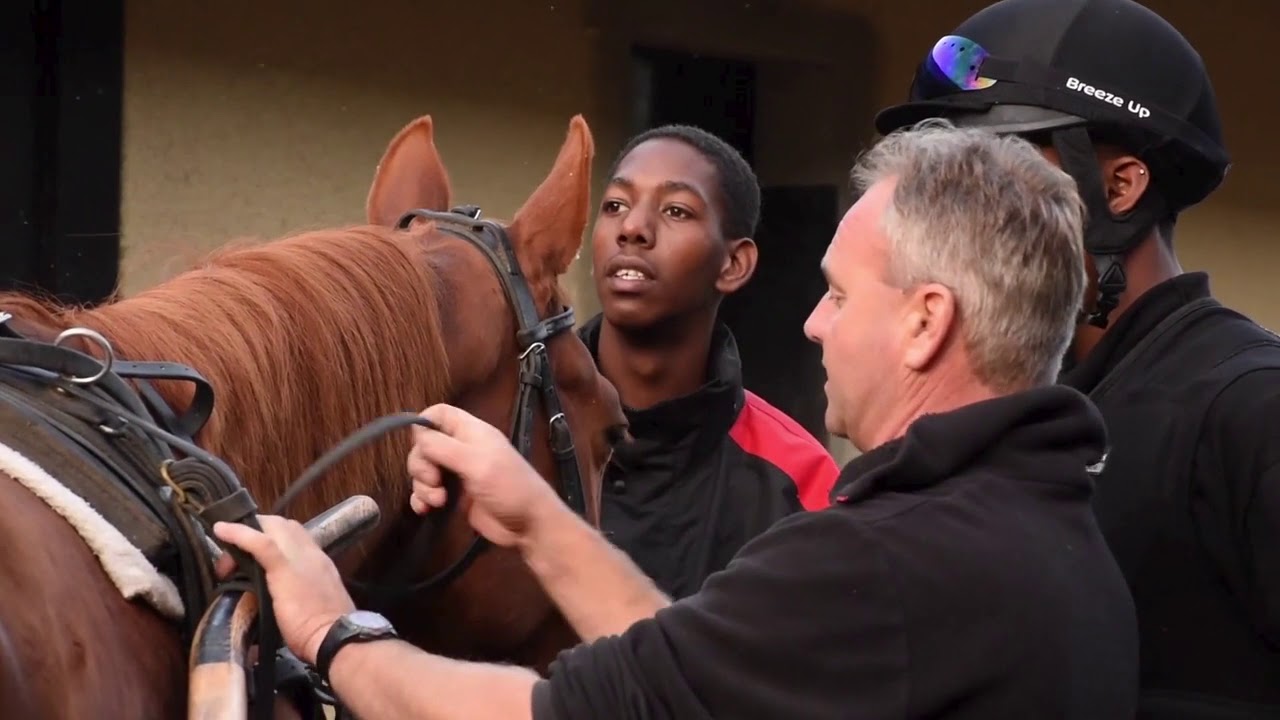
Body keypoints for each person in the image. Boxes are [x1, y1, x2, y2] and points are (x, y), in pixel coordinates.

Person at [213, 120, 1140, 719]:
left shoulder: (880, 561)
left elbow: (568, 715)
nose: (813, 322)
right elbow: (689, 681)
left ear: (926, 320)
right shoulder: (1053, 537)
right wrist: (537, 516)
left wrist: (335, 632)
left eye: (838, 296)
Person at [873, 1, 1280, 716]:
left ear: (1119, 188)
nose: (958, 218)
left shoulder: (1250, 406)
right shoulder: (991, 411)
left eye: (998, 178)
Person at [581, 124, 838, 599]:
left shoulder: (801, 481)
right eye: (615, 205)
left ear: (733, 264)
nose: (632, 228)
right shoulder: (507, 435)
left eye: (676, 210)